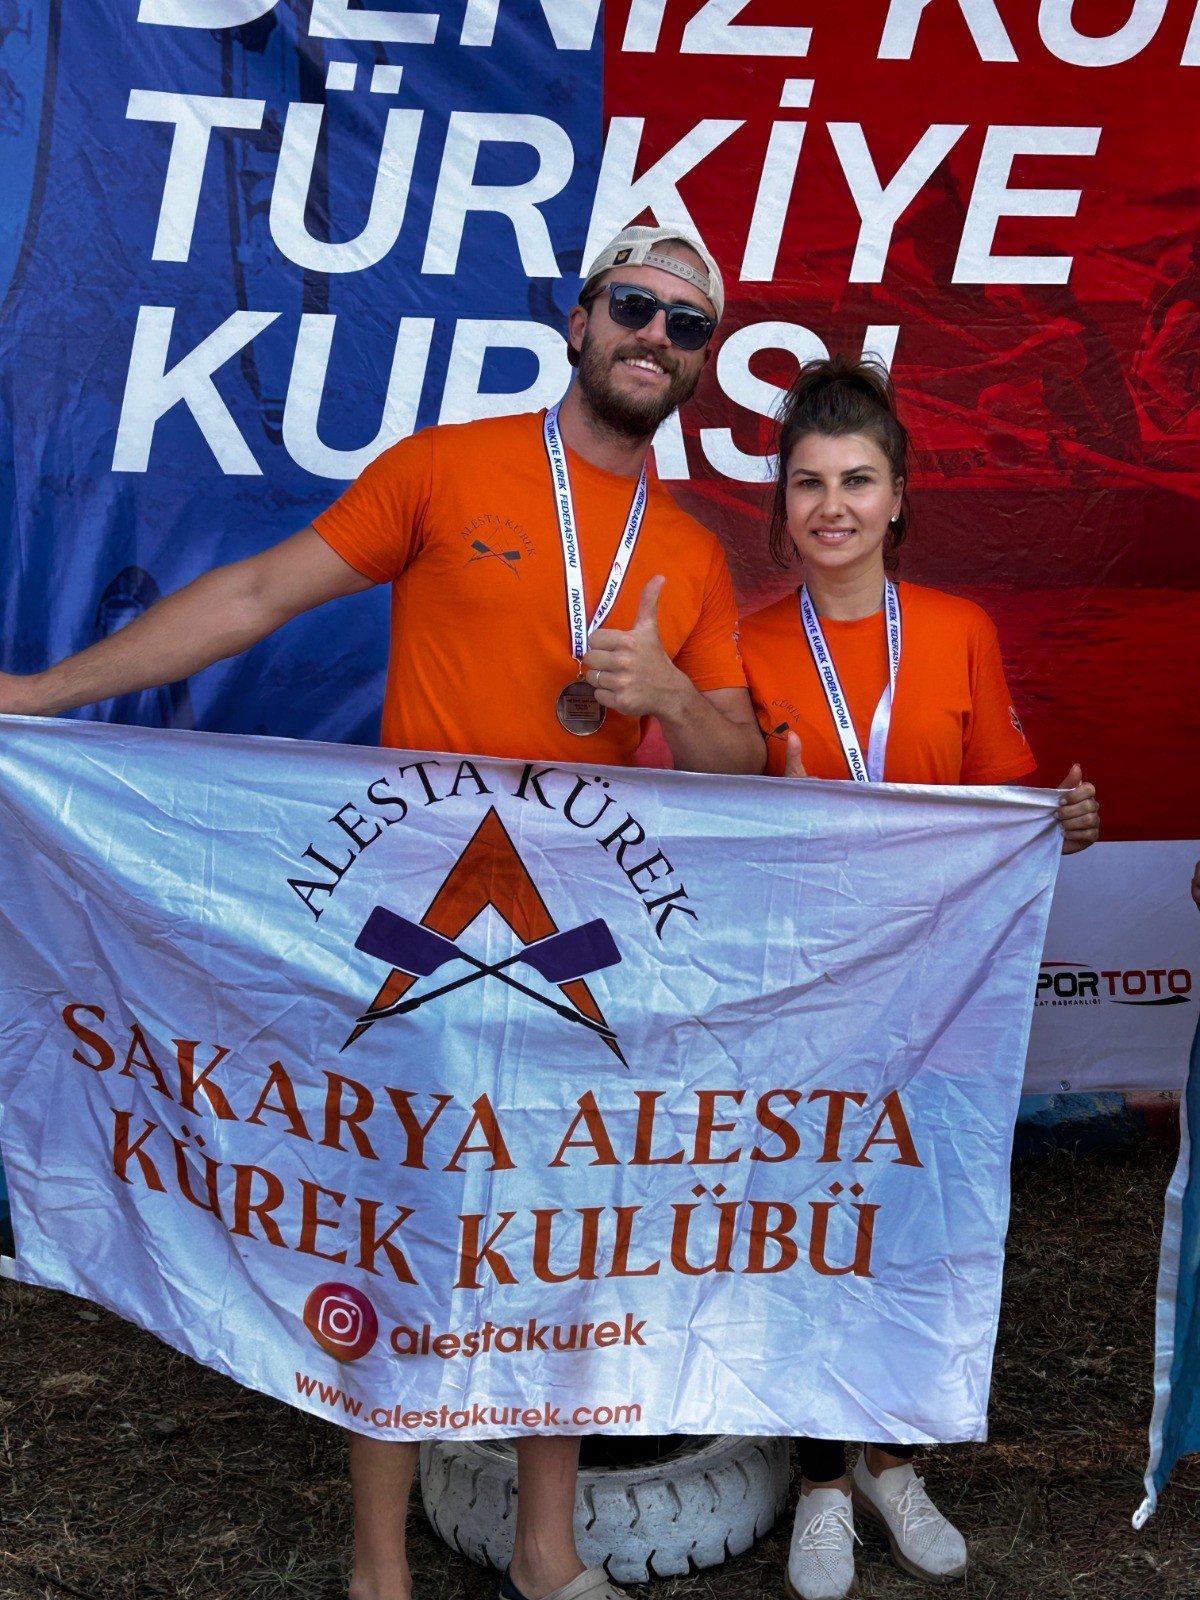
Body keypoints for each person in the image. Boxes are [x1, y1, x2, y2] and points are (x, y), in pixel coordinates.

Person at [0, 226, 765, 1600]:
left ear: (702, 361)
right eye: (635, 306)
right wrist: (43, 696)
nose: (657, 336)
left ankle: (546, 1552)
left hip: (582, 944)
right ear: (581, 322)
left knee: (559, 1233)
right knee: (404, 1230)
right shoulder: (446, 467)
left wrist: (669, 697)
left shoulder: (691, 555)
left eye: (687, 324)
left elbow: (743, 772)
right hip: (418, 919)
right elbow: (255, 594)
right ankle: (376, 1570)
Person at [736, 355, 1099, 1600]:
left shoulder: (957, 632)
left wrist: (1062, 821)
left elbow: (1005, 808)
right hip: (804, 994)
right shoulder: (745, 645)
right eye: (808, 483)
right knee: (808, 1227)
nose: (832, 505)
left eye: (857, 480)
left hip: (939, 996)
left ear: (897, 498)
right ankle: (820, 1484)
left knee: (913, 1222)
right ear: (782, 505)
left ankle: (893, 1462)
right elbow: (713, 834)